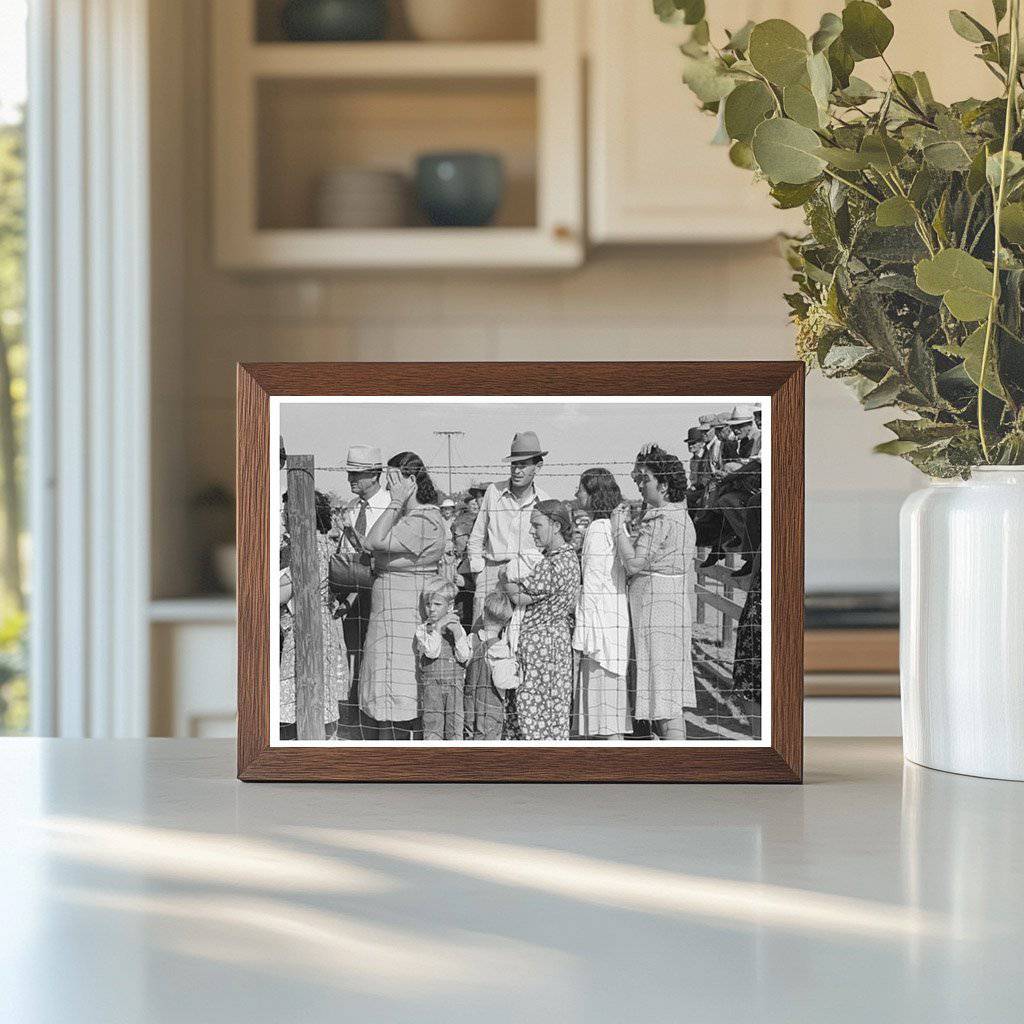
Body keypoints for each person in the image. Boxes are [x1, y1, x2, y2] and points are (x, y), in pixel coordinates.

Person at [610, 449, 697, 741]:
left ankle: (676, 762)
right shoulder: (682, 516)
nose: (639, 485)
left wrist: (617, 530)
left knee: (661, 693)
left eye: (644, 479)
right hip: (673, 605)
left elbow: (634, 562)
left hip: (655, 610)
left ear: (664, 484)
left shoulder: (659, 518)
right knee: (667, 690)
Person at [359, 452, 447, 739]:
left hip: (402, 617)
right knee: (386, 688)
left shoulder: (423, 519)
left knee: (398, 689)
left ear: (411, 480)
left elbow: (373, 541)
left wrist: (396, 502)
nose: (387, 486)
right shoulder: (412, 518)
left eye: (394, 480)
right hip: (390, 617)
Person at [503, 500, 580, 741]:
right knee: (551, 711)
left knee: (533, 712)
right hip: (554, 642)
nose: (531, 531)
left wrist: (504, 578)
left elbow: (519, 597)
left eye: (537, 525)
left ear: (555, 525)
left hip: (540, 646)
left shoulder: (554, 563)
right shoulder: (566, 557)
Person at [330, 444, 391, 738]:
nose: (351, 480)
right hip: (356, 594)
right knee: (355, 651)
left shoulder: (392, 505)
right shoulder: (352, 510)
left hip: (383, 589)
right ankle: (357, 713)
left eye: (358, 474)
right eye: (349, 473)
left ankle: (378, 713)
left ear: (375, 473)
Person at [279, 491, 349, 740]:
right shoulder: (328, 544)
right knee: (323, 695)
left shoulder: (306, 547)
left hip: (306, 628)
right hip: (327, 626)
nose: (284, 518)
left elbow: (280, 593)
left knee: (303, 693)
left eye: (287, 513)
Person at [467, 432, 550, 626]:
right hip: (491, 571)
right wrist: (478, 571)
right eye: (514, 464)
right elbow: (477, 534)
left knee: (517, 634)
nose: (517, 471)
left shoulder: (544, 500)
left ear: (537, 467)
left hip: (524, 576)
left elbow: (545, 545)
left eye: (523, 465)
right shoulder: (493, 492)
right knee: (482, 633)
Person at [573, 469, 630, 740]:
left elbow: (592, 586)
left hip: (600, 631)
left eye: (581, 489)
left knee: (603, 718)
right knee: (609, 712)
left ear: (593, 495)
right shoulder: (613, 527)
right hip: (613, 622)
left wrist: (580, 633)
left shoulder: (597, 530)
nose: (576, 494)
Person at [415, 576, 471, 741]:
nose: (431, 609)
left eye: (437, 604)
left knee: (455, 728)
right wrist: (438, 629)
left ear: (450, 606)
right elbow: (432, 652)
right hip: (432, 688)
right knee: (433, 727)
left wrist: (458, 633)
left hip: (455, 687)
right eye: (428, 604)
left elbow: (464, 657)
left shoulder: (457, 627)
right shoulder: (423, 630)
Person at [463, 589, 518, 740]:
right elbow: (501, 680)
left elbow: (463, 659)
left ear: (483, 614)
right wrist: (518, 679)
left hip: (469, 704)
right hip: (491, 708)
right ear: (507, 622)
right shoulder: (500, 649)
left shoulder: (472, 640)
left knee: (470, 736)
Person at [452, 481, 487, 629]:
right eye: (478, 497)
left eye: (483, 496)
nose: (479, 501)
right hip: (469, 570)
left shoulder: (495, 521)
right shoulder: (468, 520)